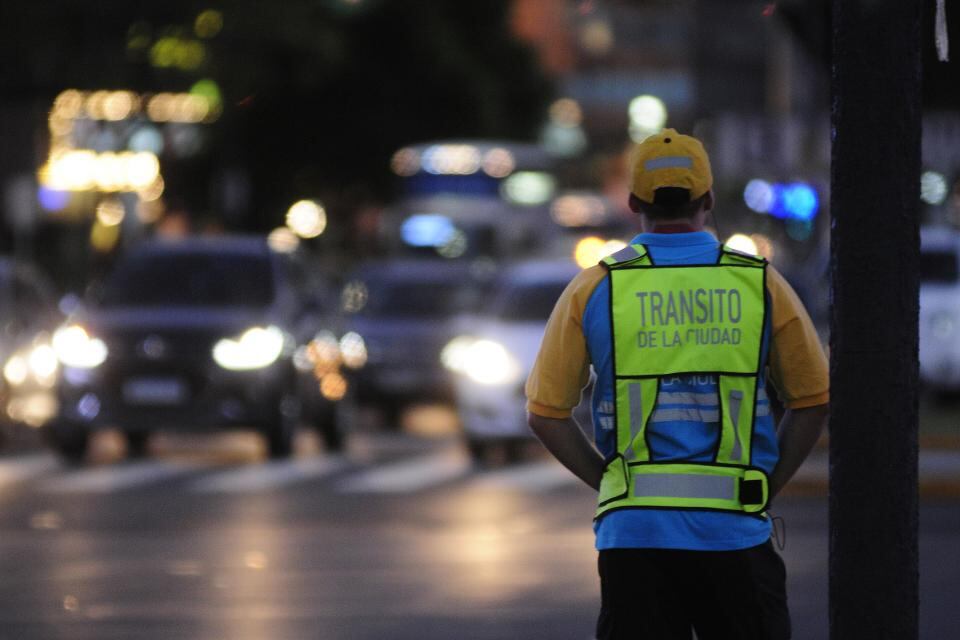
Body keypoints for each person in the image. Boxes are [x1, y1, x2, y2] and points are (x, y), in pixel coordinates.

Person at [525, 128, 829, 640]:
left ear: (633, 202)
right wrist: (764, 487)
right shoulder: (759, 282)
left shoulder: (596, 286)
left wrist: (612, 486)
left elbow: (545, 414)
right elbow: (813, 400)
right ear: (707, 199)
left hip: (634, 540)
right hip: (735, 537)